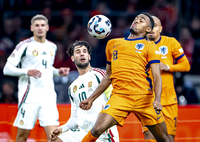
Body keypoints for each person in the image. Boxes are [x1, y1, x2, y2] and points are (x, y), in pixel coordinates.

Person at [79, 12, 170, 142]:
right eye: (136, 18)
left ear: (148, 29)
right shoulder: (112, 43)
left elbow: (157, 76)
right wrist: (91, 99)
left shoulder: (151, 46)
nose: (137, 20)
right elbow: (108, 75)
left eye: (142, 20)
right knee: (96, 129)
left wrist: (157, 100)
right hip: (120, 97)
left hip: (144, 98)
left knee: (164, 139)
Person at [3, 14, 70, 142]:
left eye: (42, 25)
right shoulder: (24, 45)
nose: (40, 28)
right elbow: (7, 69)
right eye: (37, 25)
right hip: (29, 97)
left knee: (54, 136)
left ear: (47, 27)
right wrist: (26, 71)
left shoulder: (52, 46)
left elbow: (46, 68)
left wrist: (57, 72)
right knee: (22, 137)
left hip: (48, 97)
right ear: (32, 28)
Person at [49, 41, 119, 142]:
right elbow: (75, 117)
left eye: (85, 51)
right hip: (82, 132)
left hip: (103, 134)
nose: (82, 53)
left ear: (89, 56)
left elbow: (115, 98)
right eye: (78, 51)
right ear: (72, 58)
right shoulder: (72, 87)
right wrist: (61, 129)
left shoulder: (100, 75)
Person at [142, 16, 190, 142]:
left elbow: (186, 65)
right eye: (149, 26)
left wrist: (168, 67)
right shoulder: (140, 46)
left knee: (168, 139)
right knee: (149, 137)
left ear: (161, 28)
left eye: (155, 26)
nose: (152, 29)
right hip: (148, 100)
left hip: (169, 100)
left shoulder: (171, 42)